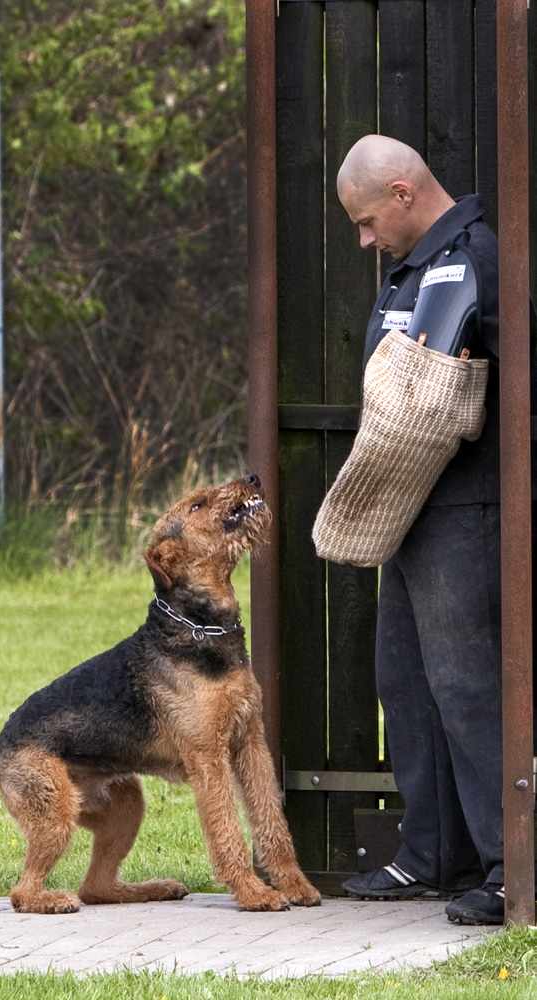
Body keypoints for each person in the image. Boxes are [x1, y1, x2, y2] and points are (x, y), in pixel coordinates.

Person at [336, 134, 526, 925]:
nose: (364, 239)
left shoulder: (467, 258)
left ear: (405, 192)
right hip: (409, 506)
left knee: (471, 686)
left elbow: (427, 388)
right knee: (406, 681)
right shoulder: (415, 266)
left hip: (462, 506)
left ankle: (511, 867)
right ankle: (432, 854)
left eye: (368, 220)